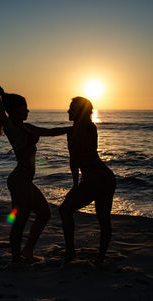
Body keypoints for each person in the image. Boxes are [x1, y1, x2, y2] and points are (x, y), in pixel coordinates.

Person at [0, 85, 70, 264]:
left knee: (35, 216)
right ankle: (21, 256)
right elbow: (1, 113)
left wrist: (70, 129)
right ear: (15, 112)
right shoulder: (11, 127)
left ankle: (23, 253)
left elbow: (49, 132)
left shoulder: (28, 128)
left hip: (23, 180)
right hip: (20, 180)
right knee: (27, 218)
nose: (28, 110)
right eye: (24, 107)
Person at [59, 97, 116, 264]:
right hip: (106, 176)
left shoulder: (77, 130)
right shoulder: (91, 127)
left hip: (94, 177)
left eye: (71, 108)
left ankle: (70, 253)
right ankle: (100, 257)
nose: (68, 111)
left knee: (65, 210)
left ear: (80, 111)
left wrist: (76, 183)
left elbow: (75, 160)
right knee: (103, 219)